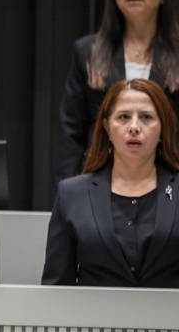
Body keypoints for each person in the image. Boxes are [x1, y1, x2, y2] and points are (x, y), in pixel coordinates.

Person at [57, 0, 179, 184]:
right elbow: (71, 134)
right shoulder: (87, 52)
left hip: (170, 185)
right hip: (101, 183)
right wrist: (65, 196)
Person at [42, 78, 179, 286]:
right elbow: (56, 287)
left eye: (146, 117)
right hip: (91, 317)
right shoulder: (72, 194)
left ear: (162, 128)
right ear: (107, 127)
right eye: (124, 117)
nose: (134, 127)